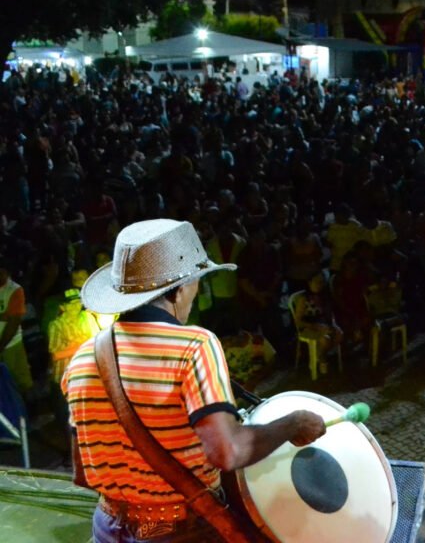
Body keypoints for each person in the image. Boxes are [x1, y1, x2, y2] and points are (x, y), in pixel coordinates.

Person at [63, 219, 325, 543]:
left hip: (108, 524)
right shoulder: (195, 346)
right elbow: (227, 452)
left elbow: (81, 470)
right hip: (175, 530)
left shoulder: (82, 358)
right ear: (180, 287)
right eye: (197, 281)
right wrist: (293, 424)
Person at [0, 262, 33, 395]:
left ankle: (25, 410)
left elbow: (13, 322)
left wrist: (0, 346)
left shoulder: (14, 290)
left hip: (11, 345)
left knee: (18, 381)